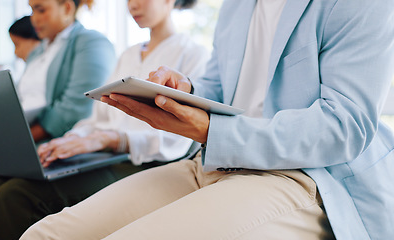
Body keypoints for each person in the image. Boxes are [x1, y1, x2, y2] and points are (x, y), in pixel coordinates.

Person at [22, 0, 394, 239]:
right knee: (43, 236)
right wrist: (186, 88)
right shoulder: (237, 6)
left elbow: (345, 126)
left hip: (301, 173)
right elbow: (219, 85)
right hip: (213, 162)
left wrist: (213, 129)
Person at [0, 0, 209, 239]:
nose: (133, 5)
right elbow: (98, 117)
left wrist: (111, 139)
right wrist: (70, 139)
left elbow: (179, 139)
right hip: (104, 155)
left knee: (16, 195)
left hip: (144, 163)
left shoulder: (193, 54)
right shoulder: (128, 55)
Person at [0, 1, 116, 239]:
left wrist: (17, 137)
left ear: (67, 8)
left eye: (41, 9)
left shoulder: (90, 43)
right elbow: (21, 100)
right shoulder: (39, 52)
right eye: (32, 9)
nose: (34, 18)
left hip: (48, 141)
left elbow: (75, 108)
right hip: (16, 138)